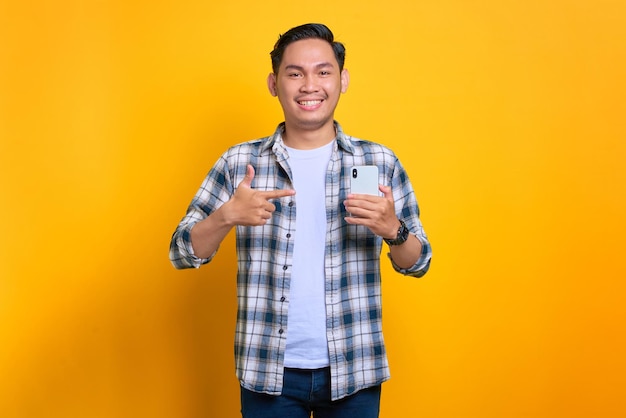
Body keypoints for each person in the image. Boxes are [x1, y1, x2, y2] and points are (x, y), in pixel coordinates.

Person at [169, 23, 432, 418]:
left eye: (323, 72)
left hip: (354, 368)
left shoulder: (377, 162)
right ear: (274, 84)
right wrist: (226, 217)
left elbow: (419, 262)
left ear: (342, 80)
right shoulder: (241, 163)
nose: (310, 85)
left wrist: (393, 230)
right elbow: (182, 252)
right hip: (267, 370)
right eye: (295, 73)